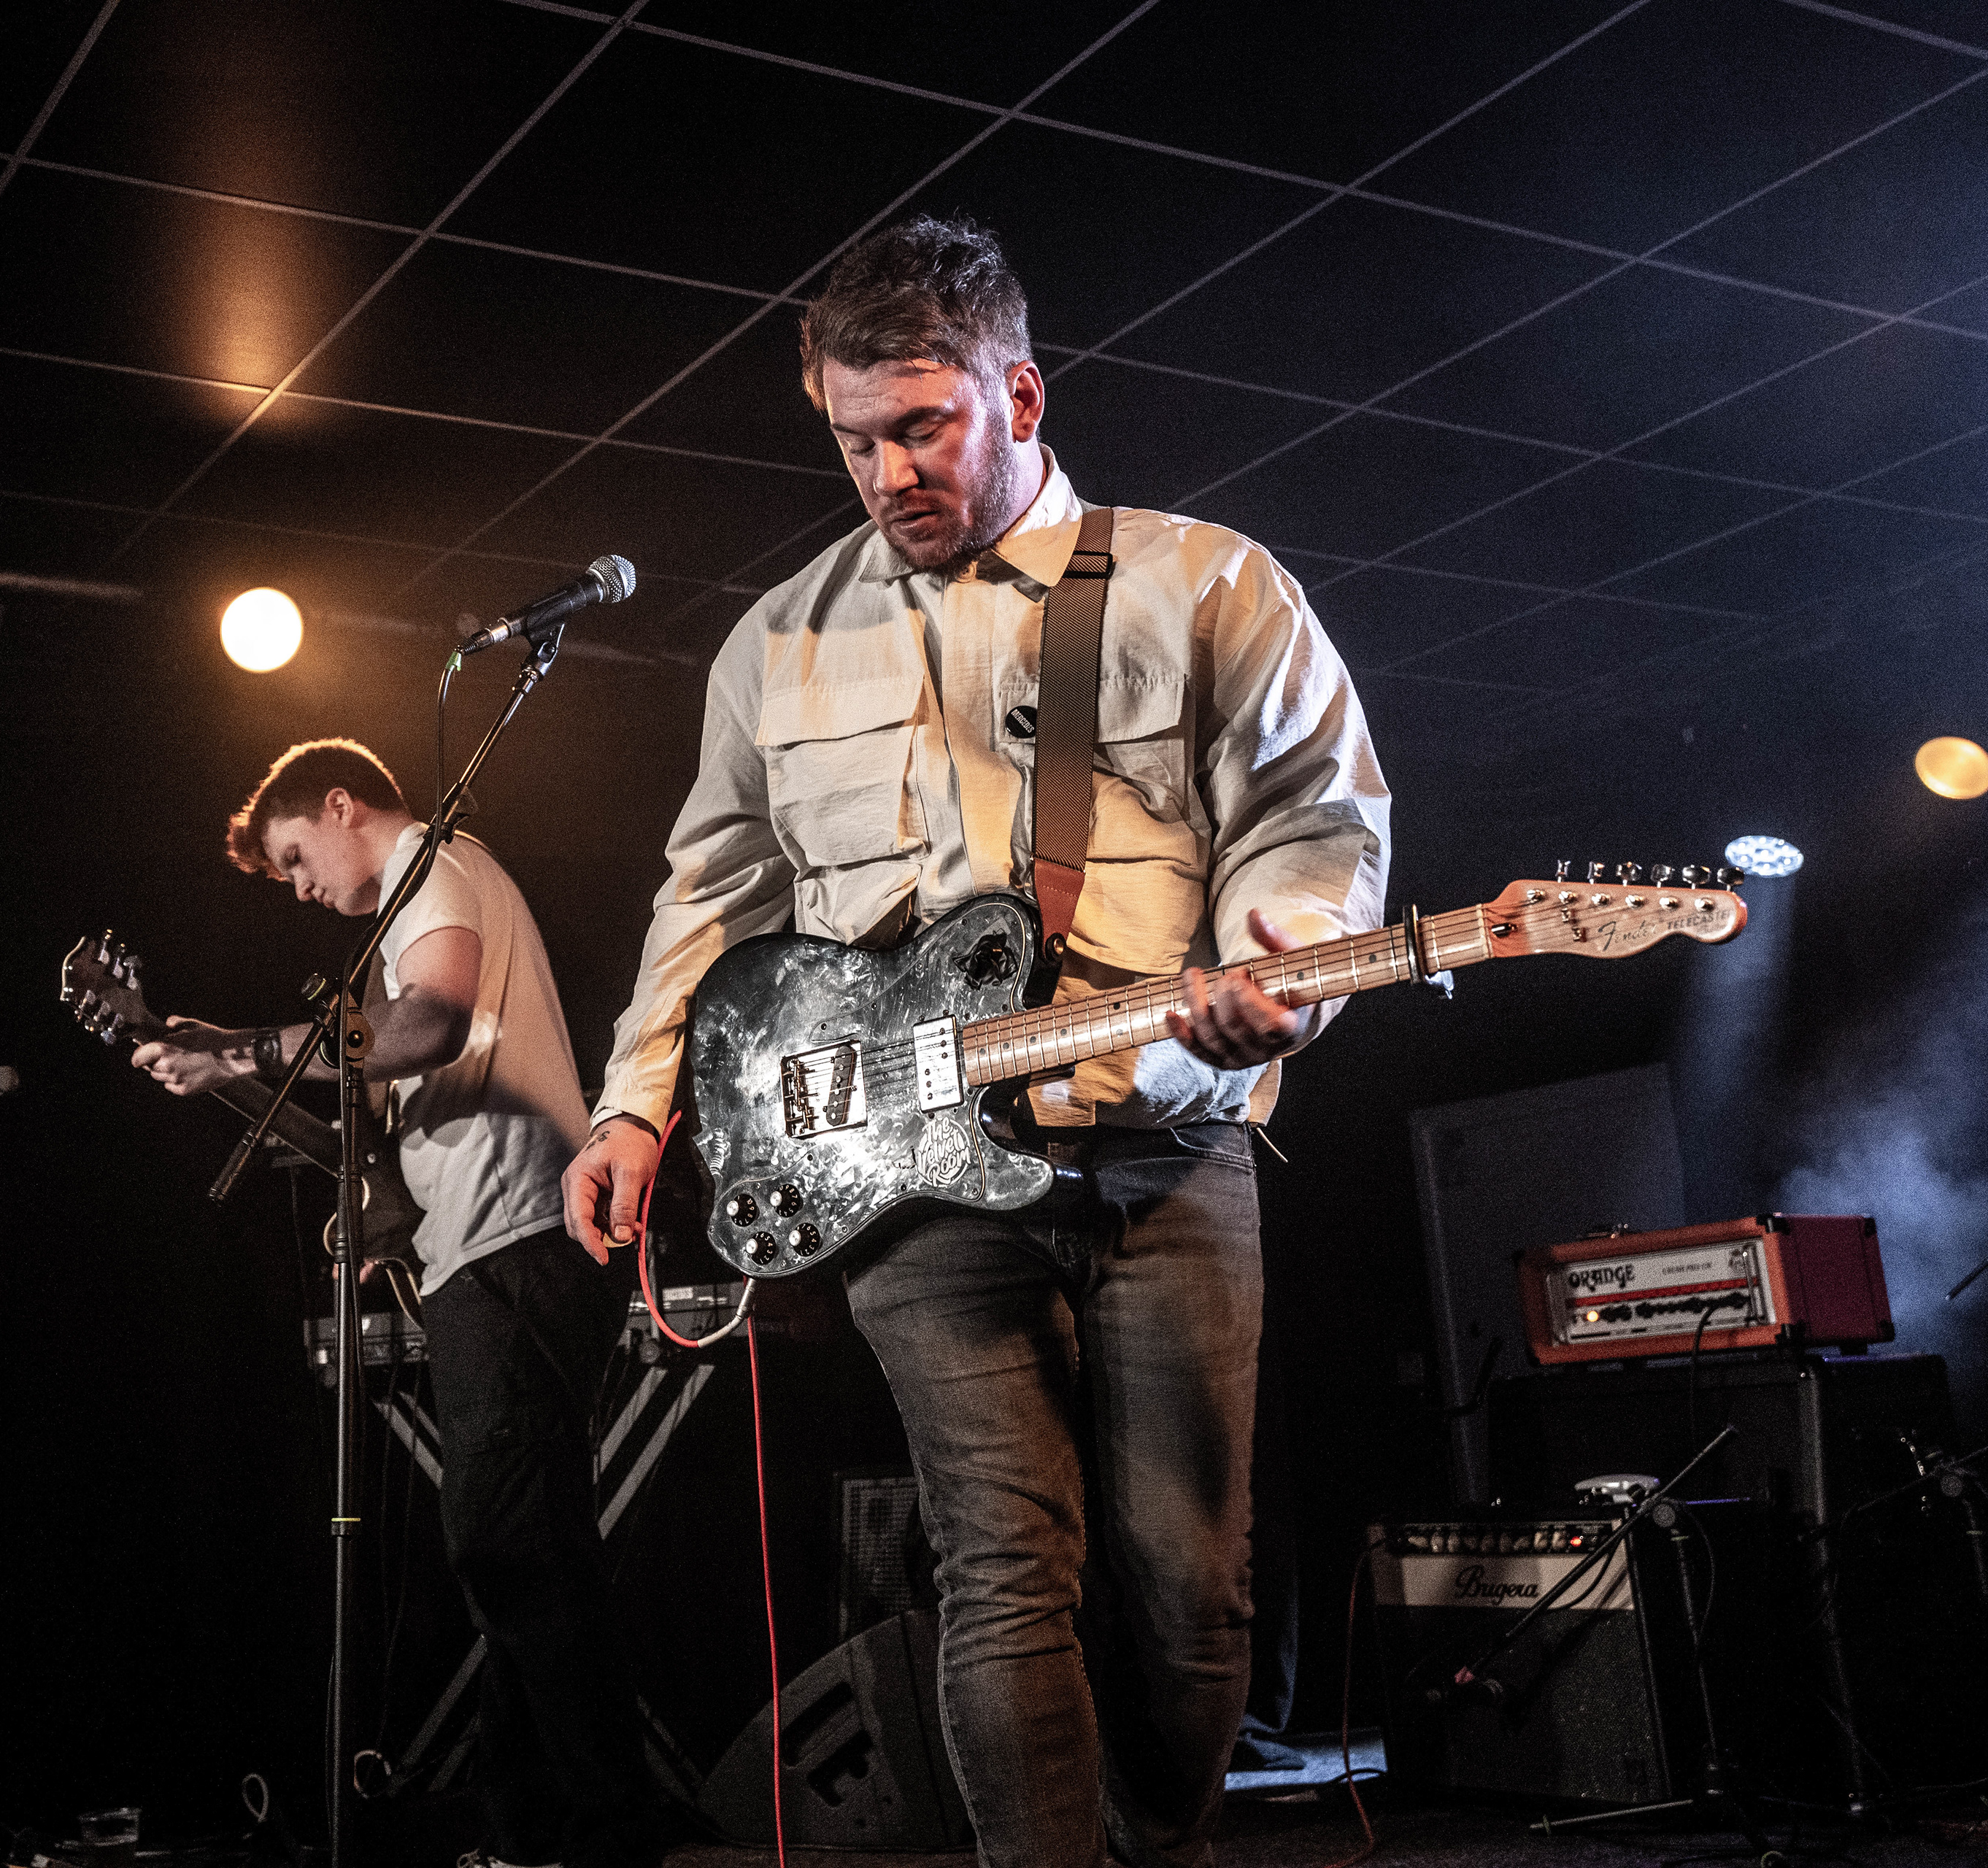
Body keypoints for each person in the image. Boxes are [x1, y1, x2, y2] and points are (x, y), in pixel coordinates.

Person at [560, 218, 1390, 1868]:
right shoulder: (777, 642)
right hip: (911, 1172)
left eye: (923, 427)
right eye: (853, 438)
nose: (888, 474)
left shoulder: (1207, 585)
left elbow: (1314, 823)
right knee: (1003, 1571)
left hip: (1162, 1136)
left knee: (1191, 1589)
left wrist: (1279, 963)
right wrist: (636, 1106)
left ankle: (1162, 1845)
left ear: (1019, 393)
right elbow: (711, 891)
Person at [137, 738, 660, 1868]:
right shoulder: (406, 925)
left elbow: (432, 1026)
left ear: (340, 805)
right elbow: (369, 1149)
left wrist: (247, 1048)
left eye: (294, 858)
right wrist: (230, 1070)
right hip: (488, 1253)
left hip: (516, 1243)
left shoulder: (436, 864)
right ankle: (529, 1835)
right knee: (519, 1554)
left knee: (512, 1551)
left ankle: (612, 1835)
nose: (298, 889)